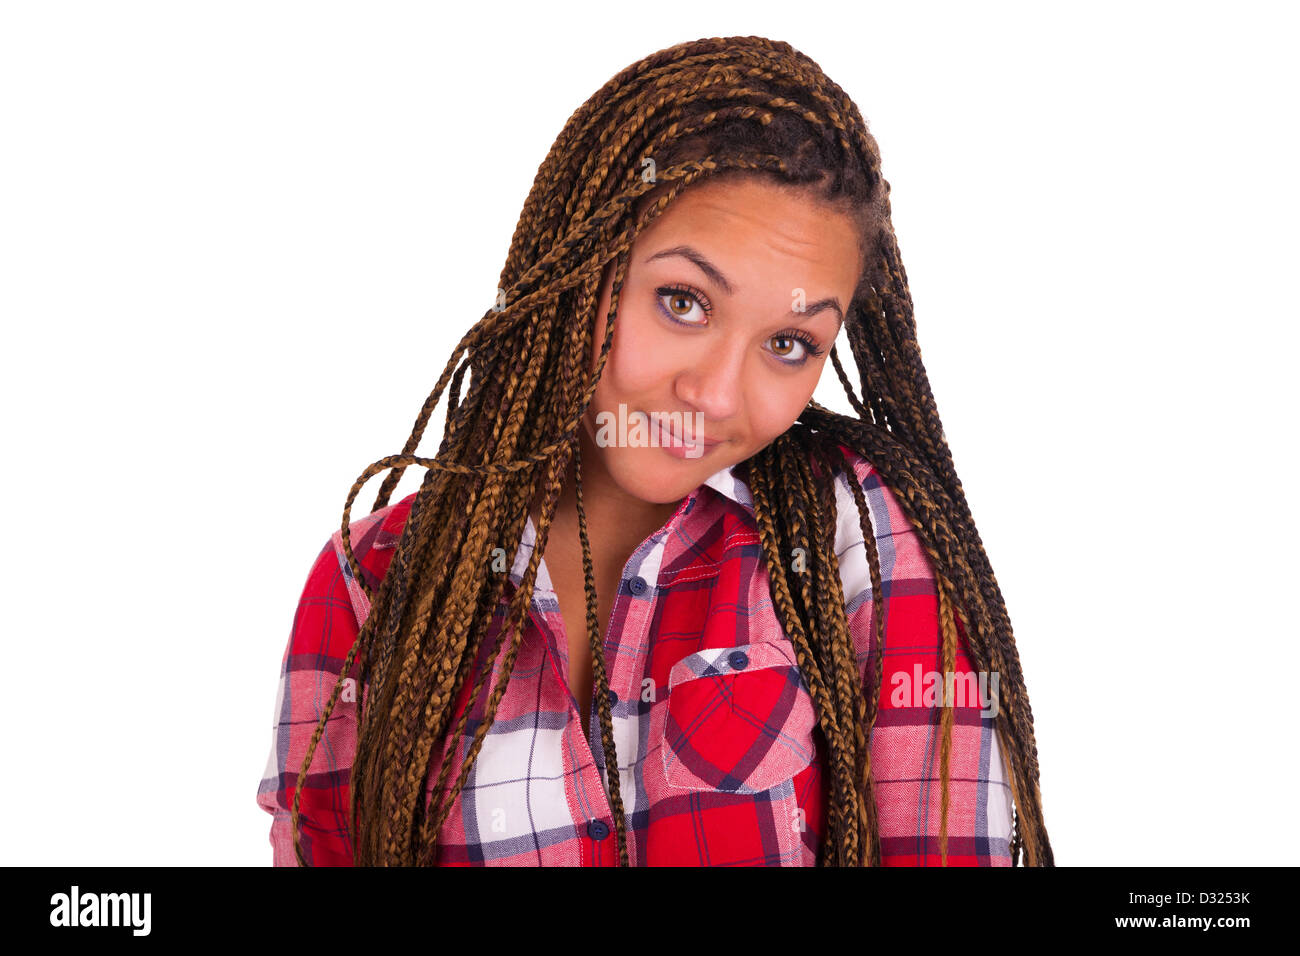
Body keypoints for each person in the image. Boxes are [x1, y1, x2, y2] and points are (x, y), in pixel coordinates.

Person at [255, 35, 1053, 867]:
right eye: (683, 301)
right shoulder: (374, 581)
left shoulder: (854, 535)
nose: (714, 393)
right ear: (581, 267)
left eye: (789, 344)